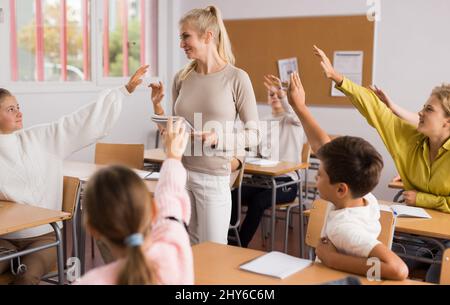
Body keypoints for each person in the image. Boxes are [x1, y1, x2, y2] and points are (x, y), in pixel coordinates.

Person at [0, 66, 149, 285]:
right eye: (11, 109)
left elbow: (78, 123)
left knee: (26, 277)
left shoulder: (40, 139)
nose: (19, 112)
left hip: (45, 237)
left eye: (18, 107)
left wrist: (123, 91)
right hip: (5, 238)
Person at [313, 45, 450, 282]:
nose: (420, 112)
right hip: (415, 234)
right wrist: (338, 78)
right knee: (380, 271)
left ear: (447, 121)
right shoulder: (410, 137)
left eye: (429, 109)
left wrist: (422, 199)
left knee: (436, 276)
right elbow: (376, 109)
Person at [149, 5, 259, 245]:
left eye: (186, 36)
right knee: (182, 251)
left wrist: (218, 138)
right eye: (181, 37)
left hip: (213, 179)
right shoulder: (182, 77)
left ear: (208, 35)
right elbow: (174, 133)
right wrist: (158, 108)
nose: (182, 44)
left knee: (212, 254)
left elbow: (255, 135)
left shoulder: (236, 78)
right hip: (182, 174)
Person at [287, 71, 408, 281]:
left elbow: (397, 270)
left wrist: (331, 258)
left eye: (320, 175)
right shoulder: (363, 198)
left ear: (341, 188)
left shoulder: (346, 229)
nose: (316, 178)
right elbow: (323, 147)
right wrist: (300, 107)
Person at [76, 118, 193, 285]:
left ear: (91, 228)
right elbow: (170, 198)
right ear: (153, 211)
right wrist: (173, 156)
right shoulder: (173, 251)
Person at [229, 75, 304, 247]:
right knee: (233, 192)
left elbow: (295, 113)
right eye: (272, 95)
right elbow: (254, 150)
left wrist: (283, 94)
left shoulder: (294, 121)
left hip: (287, 182)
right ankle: (231, 236)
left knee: (259, 202)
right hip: (263, 180)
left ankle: (240, 244)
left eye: (279, 94)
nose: (275, 97)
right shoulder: (262, 122)